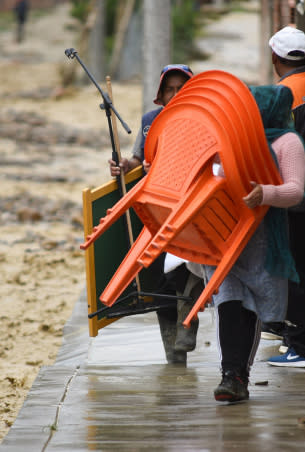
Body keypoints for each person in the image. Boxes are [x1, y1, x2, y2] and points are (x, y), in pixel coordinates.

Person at [208, 84, 305, 402]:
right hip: (227, 235)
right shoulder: (233, 140)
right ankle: (230, 375)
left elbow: (295, 190)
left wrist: (265, 193)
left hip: (265, 239)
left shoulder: (288, 142)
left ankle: (239, 376)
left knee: (250, 306)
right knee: (228, 302)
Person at [108, 64, 204, 365]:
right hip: (157, 211)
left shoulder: (203, 121)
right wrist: (125, 166)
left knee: (187, 270)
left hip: (192, 209)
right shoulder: (149, 123)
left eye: (181, 87)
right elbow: (138, 159)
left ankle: (189, 321)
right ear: (160, 95)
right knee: (162, 283)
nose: (176, 94)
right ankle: (174, 356)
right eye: (170, 89)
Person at [264, 26, 305, 368]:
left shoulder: (284, 94)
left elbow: (275, 150)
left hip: (298, 198)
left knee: (299, 273)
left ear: (276, 58)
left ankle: (304, 347)